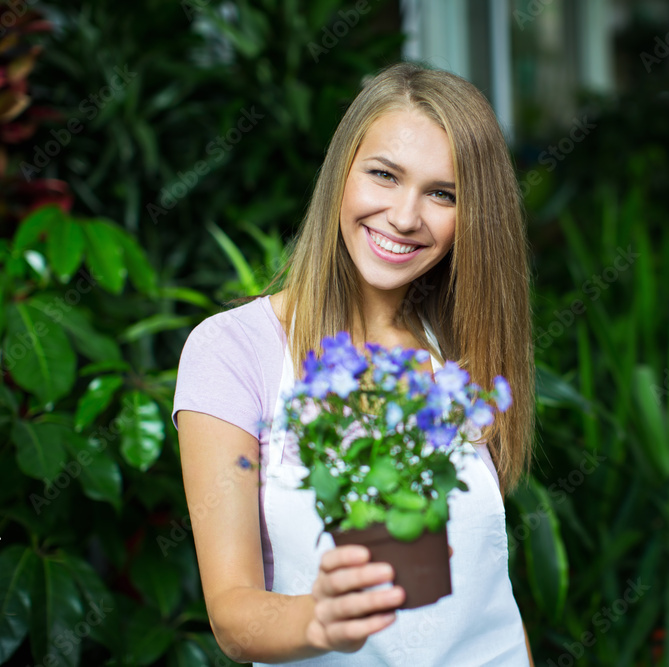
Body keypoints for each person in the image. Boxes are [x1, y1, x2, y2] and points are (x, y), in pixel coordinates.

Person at [173, 62, 536, 665]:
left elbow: (487, 593)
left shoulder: (459, 353)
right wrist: (319, 620)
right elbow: (233, 613)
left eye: (443, 193)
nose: (404, 216)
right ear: (342, 172)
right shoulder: (235, 350)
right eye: (384, 175)